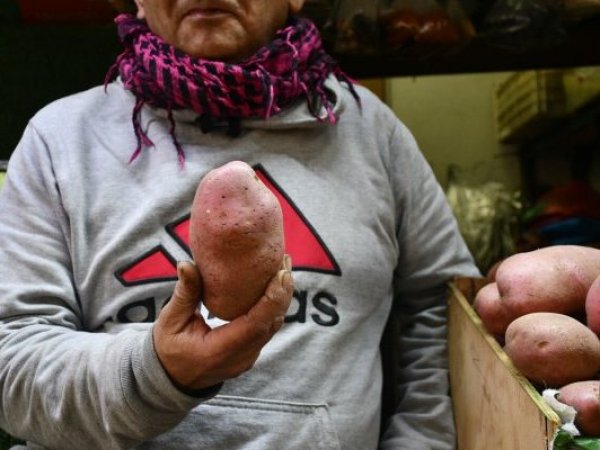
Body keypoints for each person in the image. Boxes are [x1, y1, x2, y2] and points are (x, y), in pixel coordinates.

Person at [0, 0, 481, 449]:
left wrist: (421, 441)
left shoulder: (373, 133)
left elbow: (439, 307)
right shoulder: (59, 140)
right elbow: (11, 357)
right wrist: (156, 372)